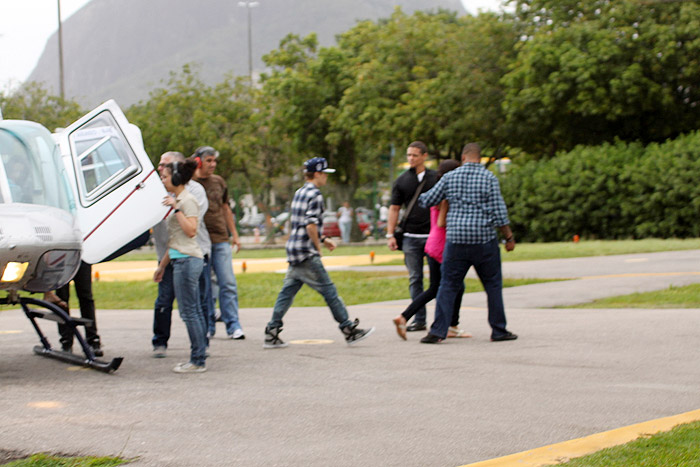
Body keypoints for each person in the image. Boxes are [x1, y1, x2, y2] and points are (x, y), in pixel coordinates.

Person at [263, 157, 375, 349]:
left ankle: (271, 332)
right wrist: (317, 246)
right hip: (306, 251)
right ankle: (348, 330)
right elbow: (310, 224)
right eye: (324, 174)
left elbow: (301, 222)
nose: (326, 178)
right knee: (329, 291)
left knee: (287, 292)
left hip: (294, 248)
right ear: (317, 174)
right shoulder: (315, 194)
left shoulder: (300, 192)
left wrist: (323, 238)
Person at [417, 143, 517, 344]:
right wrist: (509, 238)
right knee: (492, 285)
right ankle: (499, 330)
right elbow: (499, 212)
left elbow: (427, 200)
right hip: (484, 241)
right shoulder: (489, 178)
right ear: (479, 158)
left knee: (448, 285)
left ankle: (437, 332)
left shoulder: (450, 177)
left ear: (463, 158)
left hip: (456, 241)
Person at [392, 159, 471, 340]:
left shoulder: (437, 192)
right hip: (442, 245)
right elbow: (442, 222)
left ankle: (404, 316)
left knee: (439, 287)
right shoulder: (445, 196)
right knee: (450, 286)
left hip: (433, 243)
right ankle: (451, 325)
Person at [151, 151, 210, 359]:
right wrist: (162, 266)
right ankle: (198, 354)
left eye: (165, 176)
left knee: (191, 311)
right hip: (177, 257)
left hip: (188, 260)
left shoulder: (188, 200)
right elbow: (174, 241)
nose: (161, 179)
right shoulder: (177, 199)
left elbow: (191, 231)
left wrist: (176, 209)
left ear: (176, 177)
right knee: (187, 311)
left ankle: (198, 357)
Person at [386, 141, 439, 332]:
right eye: (408, 155)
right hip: (410, 237)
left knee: (437, 282)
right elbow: (394, 209)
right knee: (415, 278)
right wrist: (390, 234)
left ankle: (441, 320)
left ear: (425, 156)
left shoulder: (436, 178)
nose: (411, 159)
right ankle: (419, 319)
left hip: (433, 236)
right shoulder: (401, 181)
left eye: (415, 155)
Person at [193, 146, 244, 340]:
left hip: (221, 239)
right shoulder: (191, 183)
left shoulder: (219, 182)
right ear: (198, 161)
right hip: (201, 242)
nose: (213, 164)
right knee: (205, 286)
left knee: (228, 282)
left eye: (215, 161)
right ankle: (208, 327)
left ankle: (234, 326)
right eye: (208, 160)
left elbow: (225, 208)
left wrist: (235, 234)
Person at [54, 261, 103, 356]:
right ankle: (66, 341)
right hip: (62, 258)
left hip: (82, 257)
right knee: (61, 299)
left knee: (86, 297)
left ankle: (92, 339)